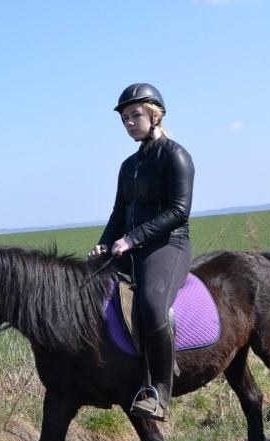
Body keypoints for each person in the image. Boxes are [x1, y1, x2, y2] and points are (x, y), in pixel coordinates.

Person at [89, 83, 194, 421]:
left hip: (168, 245)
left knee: (150, 303)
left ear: (155, 114)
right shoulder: (128, 165)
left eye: (135, 115)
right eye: (124, 118)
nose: (129, 123)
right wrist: (105, 242)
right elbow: (118, 214)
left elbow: (179, 211)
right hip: (132, 246)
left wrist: (132, 239)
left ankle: (160, 391)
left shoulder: (175, 155)